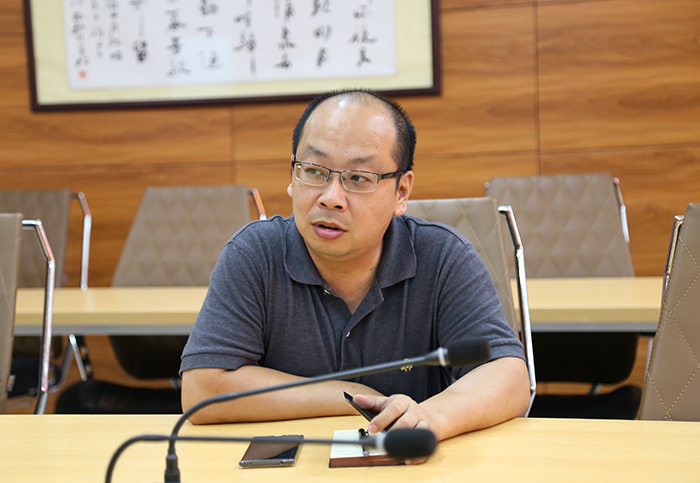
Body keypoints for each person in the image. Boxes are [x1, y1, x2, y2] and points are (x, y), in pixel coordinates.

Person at [180, 89, 530, 454]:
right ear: (292, 176)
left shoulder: (443, 256)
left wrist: (429, 418)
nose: (331, 197)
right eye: (313, 171)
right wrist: (348, 396)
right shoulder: (255, 253)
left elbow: (507, 376)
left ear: (401, 192)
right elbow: (203, 389)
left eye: (359, 178)